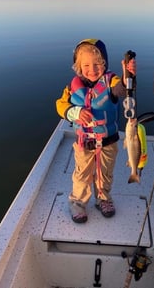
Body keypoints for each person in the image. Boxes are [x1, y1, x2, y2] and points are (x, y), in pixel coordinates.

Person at [56, 38, 136, 223]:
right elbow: (60, 105)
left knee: (104, 174)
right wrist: (74, 111)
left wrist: (128, 77)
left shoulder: (111, 81)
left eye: (97, 64)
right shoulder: (72, 86)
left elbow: (121, 89)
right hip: (84, 143)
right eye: (86, 65)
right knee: (82, 174)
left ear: (104, 64)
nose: (92, 69)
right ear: (78, 66)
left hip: (108, 141)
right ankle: (77, 202)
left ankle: (103, 199)